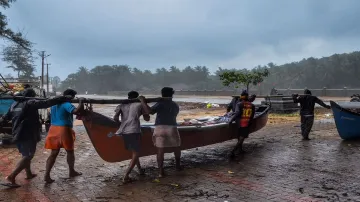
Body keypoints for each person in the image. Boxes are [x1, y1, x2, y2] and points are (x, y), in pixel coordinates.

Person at [0, 89, 71, 187]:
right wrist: (61, 98)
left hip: (17, 133)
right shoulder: (30, 102)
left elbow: (5, 117)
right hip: (28, 133)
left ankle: (28, 174)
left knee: (25, 154)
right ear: (32, 95)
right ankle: (11, 177)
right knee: (28, 155)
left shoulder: (14, 104)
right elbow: (46, 103)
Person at [44, 89, 84, 183]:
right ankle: (71, 171)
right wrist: (81, 101)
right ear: (70, 96)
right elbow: (76, 111)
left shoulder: (54, 104)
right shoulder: (67, 104)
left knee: (53, 153)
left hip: (53, 129)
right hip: (64, 129)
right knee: (70, 151)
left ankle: (46, 175)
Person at [142, 87, 181, 178]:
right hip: (172, 127)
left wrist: (143, 102)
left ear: (162, 94)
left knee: (160, 150)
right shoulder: (175, 105)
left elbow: (149, 111)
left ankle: (160, 172)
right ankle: (178, 166)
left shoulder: (160, 103)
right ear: (172, 94)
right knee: (176, 148)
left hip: (160, 128)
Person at [113, 91, 150, 183]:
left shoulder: (121, 105)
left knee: (134, 151)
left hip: (123, 131)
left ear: (128, 97)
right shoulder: (139, 104)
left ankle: (140, 169)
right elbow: (148, 116)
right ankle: (126, 175)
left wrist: (121, 124)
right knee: (136, 153)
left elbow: (115, 118)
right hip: (133, 130)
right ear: (137, 97)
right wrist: (143, 101)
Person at [228, 90, 256, 157]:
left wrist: (230, 120)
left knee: (240, 138)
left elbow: (236, 113)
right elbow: (252, 117)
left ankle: (240, 150)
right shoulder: (252, 105)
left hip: (239, 123)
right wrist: (250, 124)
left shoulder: (239, 104)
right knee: (241, 138)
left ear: (242, 97)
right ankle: (232, 152)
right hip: (246, 123)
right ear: (247, 97)